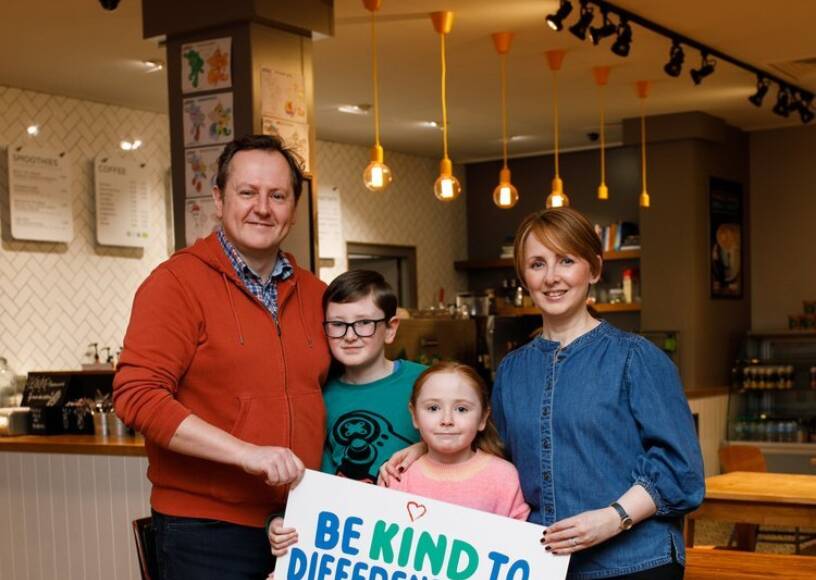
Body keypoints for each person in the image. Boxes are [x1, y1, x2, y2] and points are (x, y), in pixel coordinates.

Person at [113, 134, 330, 580]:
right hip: (206, 531)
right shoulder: (175, 284)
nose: (262, 207)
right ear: (218, 199)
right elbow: (137, 396)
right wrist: (245, 454)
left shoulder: (317, 294)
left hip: (300, 522)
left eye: (278, 195)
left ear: (294, 208)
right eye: (247, 192)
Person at [492, 207, 705, 579]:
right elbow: (495, 459)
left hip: (636, 562)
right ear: (524, 278)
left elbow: (681, 470)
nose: (552, 277)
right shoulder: (512, 370)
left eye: (567, 260)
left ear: (593, 269)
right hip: (544, 564)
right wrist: (422, 450)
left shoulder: (636, 358)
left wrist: (613, 518)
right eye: (537, 264)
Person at [268, 361, 529, 564]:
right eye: (433, 408)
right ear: (414, 416)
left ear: (483, 418)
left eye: (461, 409)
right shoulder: (399, 476)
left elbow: (521, 554)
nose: (446, 419)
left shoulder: (503, 477)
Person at [266, 270, 426, 553]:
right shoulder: (317, 397)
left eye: (364, 323)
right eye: (337, 325)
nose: (350, 336)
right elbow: (307, 480)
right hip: (348, 548)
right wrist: (280, 522)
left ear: (390, 328)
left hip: (416, 541)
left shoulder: (427, 384)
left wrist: (425, 448)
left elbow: (477, 449)